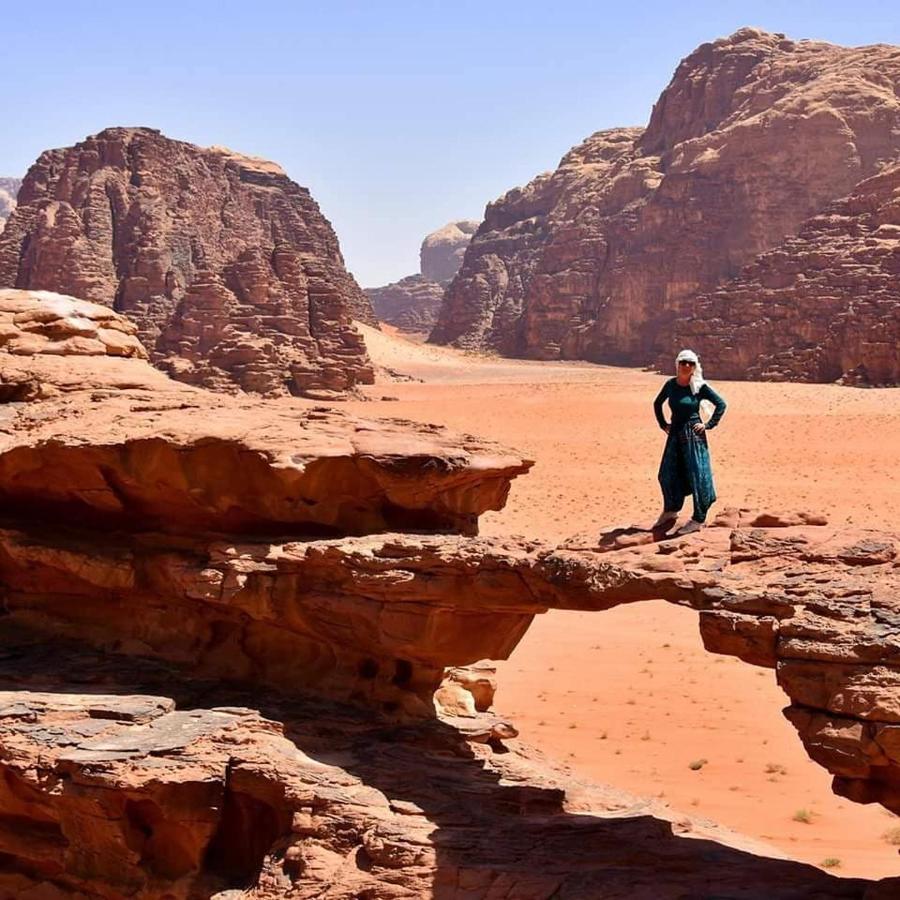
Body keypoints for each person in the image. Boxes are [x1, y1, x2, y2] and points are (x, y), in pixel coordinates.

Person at [652, 349, 727, 534]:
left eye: (690, 363)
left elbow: (721, 404)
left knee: (698, 475)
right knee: (666, 473)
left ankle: (698, 519)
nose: (686, 366)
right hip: (675, 433)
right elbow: (657, 403)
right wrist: (663, 424)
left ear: (695, 367)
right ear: (677, 364)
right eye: (683, 362)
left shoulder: (699, 386)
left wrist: (708, 425)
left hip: (693, 435)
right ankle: (671, 510)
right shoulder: (670, 385)